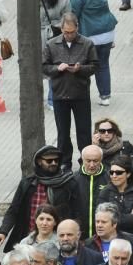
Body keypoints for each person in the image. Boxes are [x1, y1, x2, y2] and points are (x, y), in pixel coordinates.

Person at [42, 13, 98, 168]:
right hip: (60, 94)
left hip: (80, 93)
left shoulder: (87, 44)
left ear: (77, 28)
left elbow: (94, 66)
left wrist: (80, 69)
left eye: (72, 32)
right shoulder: (52, 44)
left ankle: (85, 159)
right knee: (63, 132)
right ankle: (65, 161)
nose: (69, 35)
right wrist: (56, 68)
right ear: (61, 29)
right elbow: (44, 67)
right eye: (66, 32)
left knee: (84, 131)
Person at [69, 0, 117, 106]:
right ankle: (105, 95)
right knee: (103, 64)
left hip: (90, 35)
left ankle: (81, 94)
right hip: (107, 32)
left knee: (84, 66)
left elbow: (73, 16)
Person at [98, 154, 133, 240]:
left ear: (128, 174)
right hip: (112, 239)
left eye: (119, 172)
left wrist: (115, 217)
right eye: (111, 172)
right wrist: (130, 215)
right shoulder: (105, 192)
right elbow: (103, 219)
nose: (114, 176)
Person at [73, 145, 110, 238]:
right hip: (80, 235)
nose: (92, 165)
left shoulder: (110, 178)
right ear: (82, 159)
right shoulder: (73, 179)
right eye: (88, 161)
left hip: (104, 235)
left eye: (95, 161)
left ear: (101, 159)